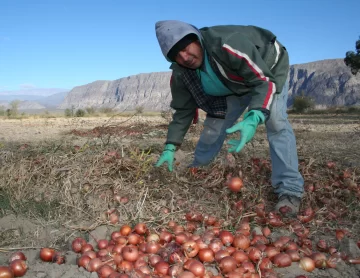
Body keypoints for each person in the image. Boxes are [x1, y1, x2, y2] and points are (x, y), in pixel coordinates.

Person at [154, 20, 304, 216]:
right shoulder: (182, 73)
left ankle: (289, 190)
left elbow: (263, 82)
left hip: (266, 69)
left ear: (197, 39)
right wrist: (170, 146)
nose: (185, 57)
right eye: (176, 55)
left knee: (276, 121)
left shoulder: (226, 44)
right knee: (216, 123)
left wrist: (255, 115)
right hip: (232, 83)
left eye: (185, 47)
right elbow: (183, 111)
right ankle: (199, 169)